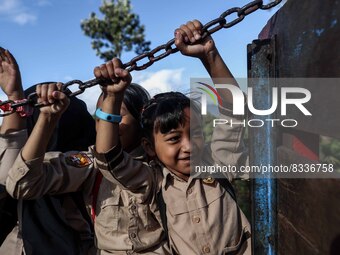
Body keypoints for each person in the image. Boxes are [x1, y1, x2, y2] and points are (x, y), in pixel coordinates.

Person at [93, 20, 251, 254]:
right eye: (174, 139)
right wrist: (112, 98)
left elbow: (234, 109)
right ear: (149, 147)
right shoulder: (152, 182)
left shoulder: (217, 163)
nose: (188, 146)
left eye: (194, 134)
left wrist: (209, 54)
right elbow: (108, 159)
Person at [6, 79, 170, 253]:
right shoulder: (91, 165)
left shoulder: (164, 163)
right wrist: (47, 119)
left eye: (116, 114)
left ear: (140, 121)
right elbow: (22, 185)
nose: (105, 122)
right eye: (100, 114)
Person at [0, 48, 97, 255]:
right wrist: (15, 96)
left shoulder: (84, 166)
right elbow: (9, 175)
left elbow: (24, 180)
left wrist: (47, 118)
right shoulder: (15, 166)